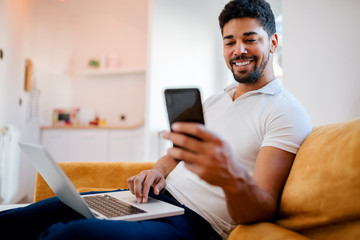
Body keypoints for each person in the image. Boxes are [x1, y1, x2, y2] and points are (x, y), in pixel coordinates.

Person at [0, 0, 312, 239]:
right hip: (154, 200)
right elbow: (175, 155)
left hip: (196, 224)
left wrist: (228, 176)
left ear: (272, 42)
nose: (238, 50)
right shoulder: (217, 99)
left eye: (250, 39)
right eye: (229, 42)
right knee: (27, 217)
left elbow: (264, 205)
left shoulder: (285, 111)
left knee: (67, 234)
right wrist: (158, 170)